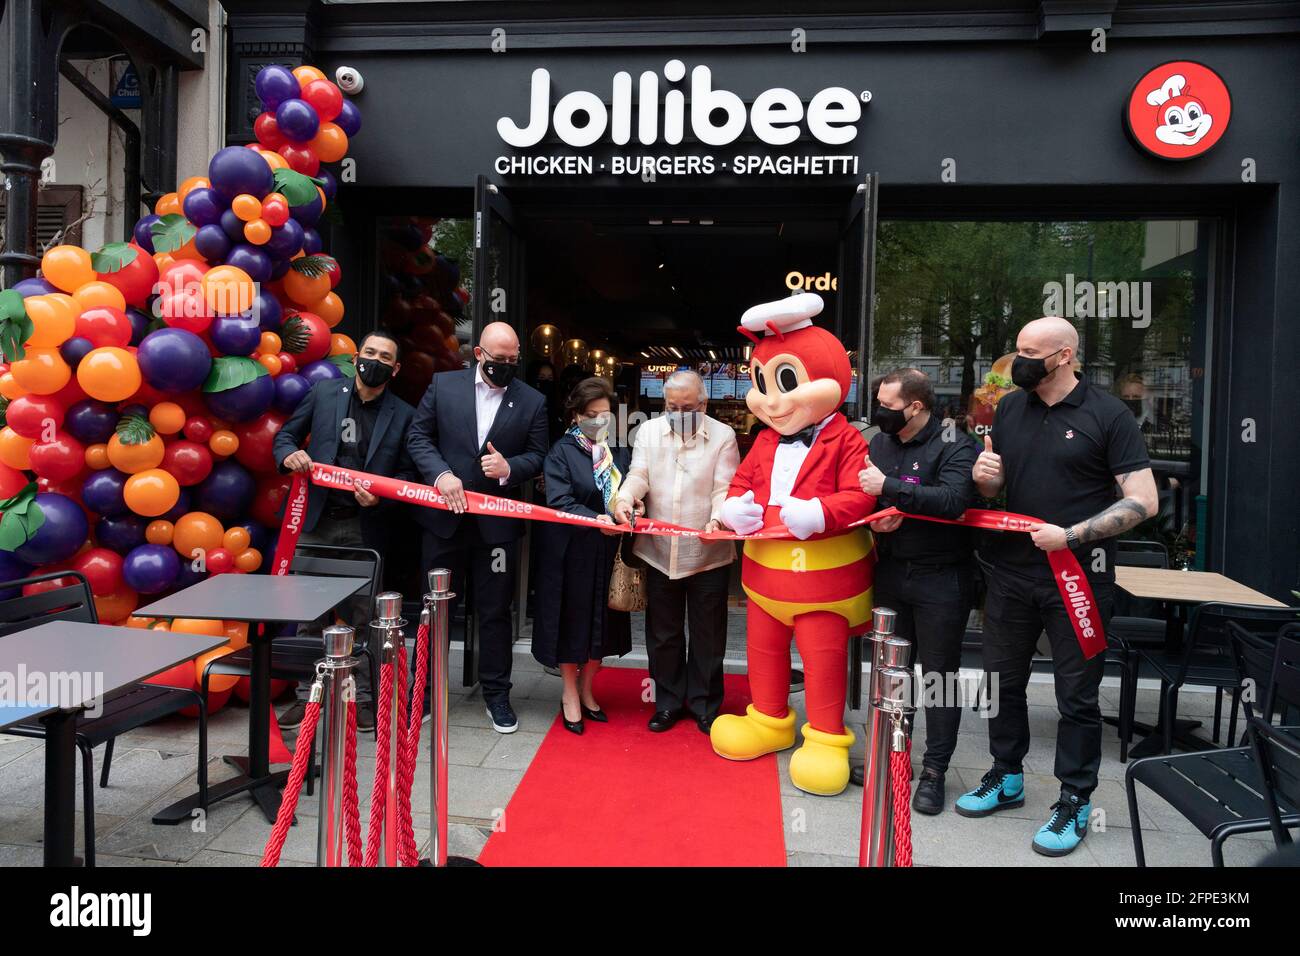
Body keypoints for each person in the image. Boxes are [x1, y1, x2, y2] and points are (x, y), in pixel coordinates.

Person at [959, 316, 1157, 856]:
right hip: (1010, 572)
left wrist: (1071, 534)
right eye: (1017, 349)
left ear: (1065, 355)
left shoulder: (1108, 414)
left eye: (1030, 351)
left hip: (1078, 579)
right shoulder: (1010, 408)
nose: (1018, 359)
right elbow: (1001, 483)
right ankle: (1006, 774)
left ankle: (1074, 798)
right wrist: (987, 478)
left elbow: (1144, 500)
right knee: (1002, 682)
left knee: (1076, 696)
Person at [407, 321, 549, 734]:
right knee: (436, 610)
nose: (505, 366)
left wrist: (510, 469)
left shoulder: (532, 401)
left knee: (494, 613)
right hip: (442, 521)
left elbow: (538, 455)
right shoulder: (443, 385)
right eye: (498, 359)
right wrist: (440, 475)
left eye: (513, 359)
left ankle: (497, 694)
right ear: (478, 354)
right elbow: (419, 437)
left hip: (496, 529)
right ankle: (427, 692)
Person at [272, 330, 417, 732]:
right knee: (309, 615)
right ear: (356, 358)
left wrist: (382, 500)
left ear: (396, 368)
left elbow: (407, 474)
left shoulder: (404, 414)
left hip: (363, 528)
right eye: (369, 352)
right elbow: (284, 437)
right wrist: (291, 455)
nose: (375, 360)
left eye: (384, 356)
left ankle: (365, 699)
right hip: (316, 524)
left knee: (365, 617)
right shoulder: (322, 394)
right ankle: (307, 698)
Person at [855, 368, 978, 813]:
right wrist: (879, 510)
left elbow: (953, 500)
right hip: (890, 570)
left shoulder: (955, 443)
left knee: (938, 676)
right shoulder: (881, 442)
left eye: (887, 406)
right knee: (892, 671)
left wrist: (889, 489)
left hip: (942, 576)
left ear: (916, 407)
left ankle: (934, 771)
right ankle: (893, 757)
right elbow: (865, 493)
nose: (879, 413)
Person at [612, 369, 740, 733]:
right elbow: (639, 475)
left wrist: (718, 519)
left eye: (687, 407)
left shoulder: (723, 436)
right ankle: (667, 702)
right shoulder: (650, 431)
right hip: (659, 549)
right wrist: (626, 497)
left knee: (708, 633)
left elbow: (723, 488)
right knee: (663, 633)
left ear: (703, 404)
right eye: (672, 406)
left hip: (707, 553)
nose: (679, 413)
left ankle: (704, 703)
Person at [530, 377, 633, 734]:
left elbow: (627, 490)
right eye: (592, 415)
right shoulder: (561, 452)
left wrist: (625, 509)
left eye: (605, 415)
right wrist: (596, 519)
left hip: (608, 550)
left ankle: (589, 689)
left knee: (601, 626)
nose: (600, 422)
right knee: (571, 624)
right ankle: (570, 693)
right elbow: (559, 501)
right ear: (576, 415)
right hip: (571, 551)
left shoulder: (617, 451)